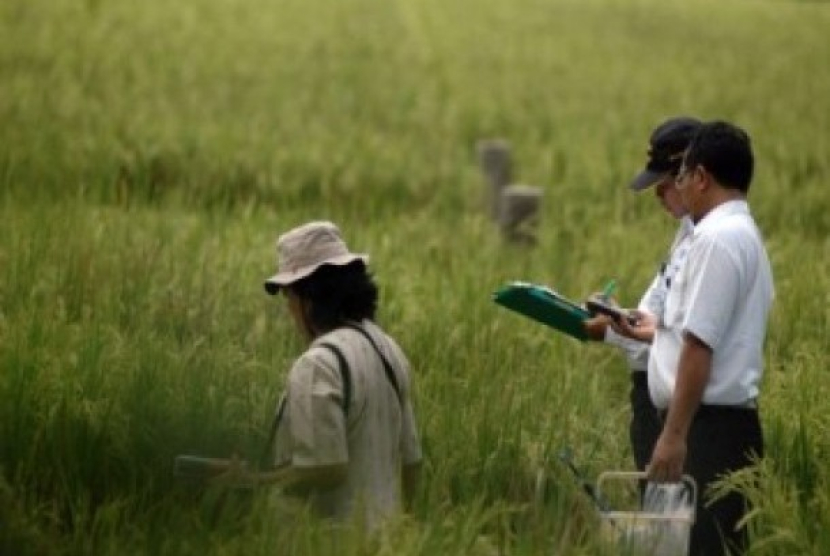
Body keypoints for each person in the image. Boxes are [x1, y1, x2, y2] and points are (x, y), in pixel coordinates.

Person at [616, 121, 774, 556]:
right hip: (709, 424)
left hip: (709, 431)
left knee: (698, 548)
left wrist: (672, 435)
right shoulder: (731, 234)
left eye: (680, 177)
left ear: (701, 177)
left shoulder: (717, 241)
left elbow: (698, 346)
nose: (677, 189)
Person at [225, 221, 423, 531]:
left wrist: (253, 480)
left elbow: (324, 466)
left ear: (308, 298)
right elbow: (411, 462)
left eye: (289, 297)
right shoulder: (389, 350)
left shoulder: (318, 364)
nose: (289, 311)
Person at [583, 116, 701, 472]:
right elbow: (661, 317)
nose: (657, 195)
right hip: (652, 395)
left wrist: (611, 328)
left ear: (693, 176)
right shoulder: (686, 233)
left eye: (665, 185)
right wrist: (620, 317)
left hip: (678, 408)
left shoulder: (711, 244)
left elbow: (688, 338)